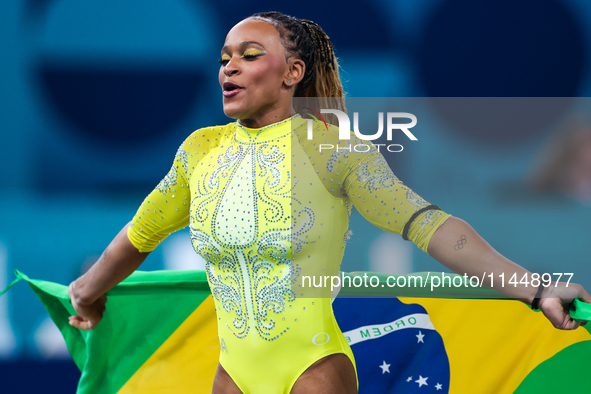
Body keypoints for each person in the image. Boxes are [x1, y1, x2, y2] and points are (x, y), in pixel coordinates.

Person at [67, 11, 591, 394]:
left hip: (312, 373)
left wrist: (535, 288)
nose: (229, 68)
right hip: (231, 379)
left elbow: (431, 227)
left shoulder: (333, 149)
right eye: (224, 58)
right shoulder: (200, 151)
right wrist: (87, 293)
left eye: (250, 56)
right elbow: (138, 237)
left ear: (293, 74)